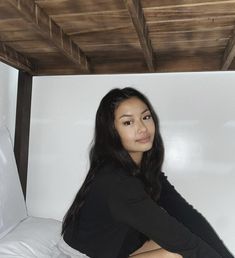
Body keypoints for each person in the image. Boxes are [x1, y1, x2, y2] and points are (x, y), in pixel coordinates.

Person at [58, 87, 234, 258]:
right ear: (111, 131)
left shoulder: (145, 169)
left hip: (112, 250)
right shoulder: (117, 182)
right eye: (128, 122)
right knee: (174, 254)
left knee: (187, 234)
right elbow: (184, 243)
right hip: (81, 255)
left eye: (146, 117)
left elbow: (188, 217)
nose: (142, 128)